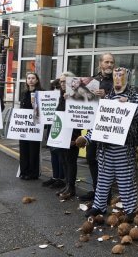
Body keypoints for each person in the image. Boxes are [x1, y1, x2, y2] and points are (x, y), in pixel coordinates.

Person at [82, 67, 138, 220]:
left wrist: (131, 106)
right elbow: (99, 122)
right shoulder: (107, 98)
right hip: (106, 147)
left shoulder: (134, 97)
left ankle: (130, 209)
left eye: (121, 75)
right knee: (103, 180)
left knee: (126, 180)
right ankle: (99, 206)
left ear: (127, 78)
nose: (118, 78)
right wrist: (87, 138)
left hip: (124, 148)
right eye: (115, 75)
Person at [79, 53, 115, 202]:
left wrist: (106, 96)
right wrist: (71, 97)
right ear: (100, 64)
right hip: (92, 123)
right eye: (106, 62)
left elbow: (124, 101)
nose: (109, 65)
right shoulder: (92, 80)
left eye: (112, 62)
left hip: (109, 126)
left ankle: (106, 195)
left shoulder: (118, 81)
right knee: (91, 158)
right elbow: (82, 100)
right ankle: (97, 190)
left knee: (106, 162)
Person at [55, 72, 83, 200]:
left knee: (71, 161)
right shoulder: (61, 95)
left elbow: (81, 115)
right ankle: (67, 184)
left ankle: (71, 188)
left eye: (65, 81)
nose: (62, 84)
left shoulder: (77, 96)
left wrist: (70, 100)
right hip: (62, 131)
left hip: (73, 133)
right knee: (63, 160)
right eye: (61, 81)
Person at [18, 72, 43, 180]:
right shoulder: (24, 93)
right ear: (26, 81)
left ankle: (33, 173)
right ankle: (24, 171)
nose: (31, 80)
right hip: (24, 125)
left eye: (33, 78)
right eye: (29, 78)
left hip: (35, 125)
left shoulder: (41, 93)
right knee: (23, 149)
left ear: (37, 80)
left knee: (33, 150)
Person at [42, 78, 66, 189]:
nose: (57, 89)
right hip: (52, 125)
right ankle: (55, 176)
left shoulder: (65, 97)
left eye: (59, 87)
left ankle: (62, 178)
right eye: (55, 87)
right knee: (53, 152)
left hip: (61, 125)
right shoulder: (51, 97)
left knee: (60, 153)